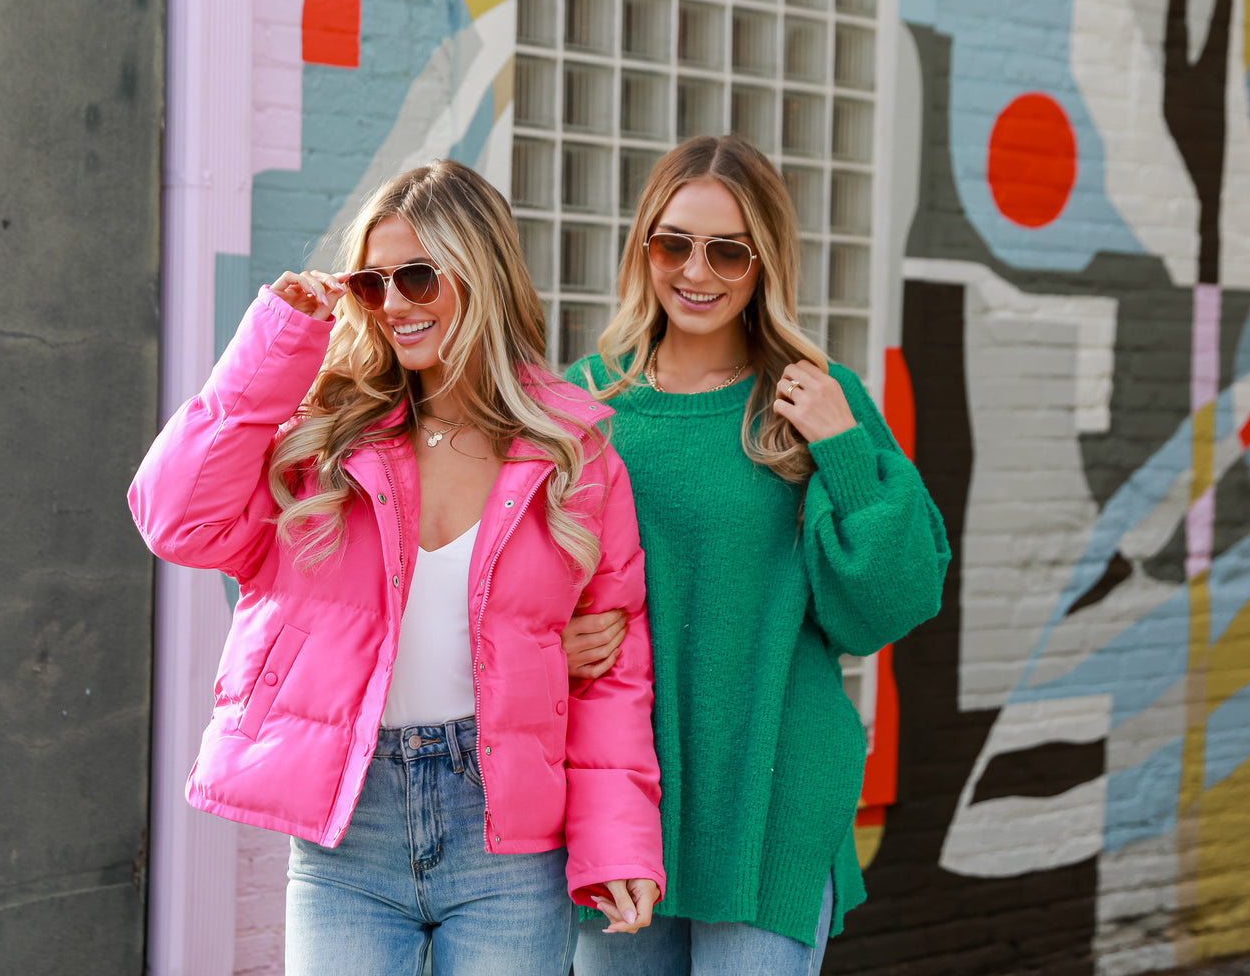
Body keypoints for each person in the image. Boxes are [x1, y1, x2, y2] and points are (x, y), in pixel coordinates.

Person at [128, 160, 664, 976]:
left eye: (417, 276)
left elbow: (616, 677)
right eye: (371, 284)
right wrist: (277, 343)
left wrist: (617, 841)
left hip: (507, 842)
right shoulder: (326, 445)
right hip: (350, 833)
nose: (394, 304)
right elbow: (175, 519)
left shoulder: (575, 458)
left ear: (480, 276)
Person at [561, 136, 950, 976]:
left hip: (770, 796)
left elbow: (892, 602)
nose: (696, 272)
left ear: (764, 261)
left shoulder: (811, 399)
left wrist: (842, 450)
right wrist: (551, 648)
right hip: (620, 800)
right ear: (643, 249)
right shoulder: (584, 401)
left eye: (728, 250)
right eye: (674, 244)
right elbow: (506, 590)